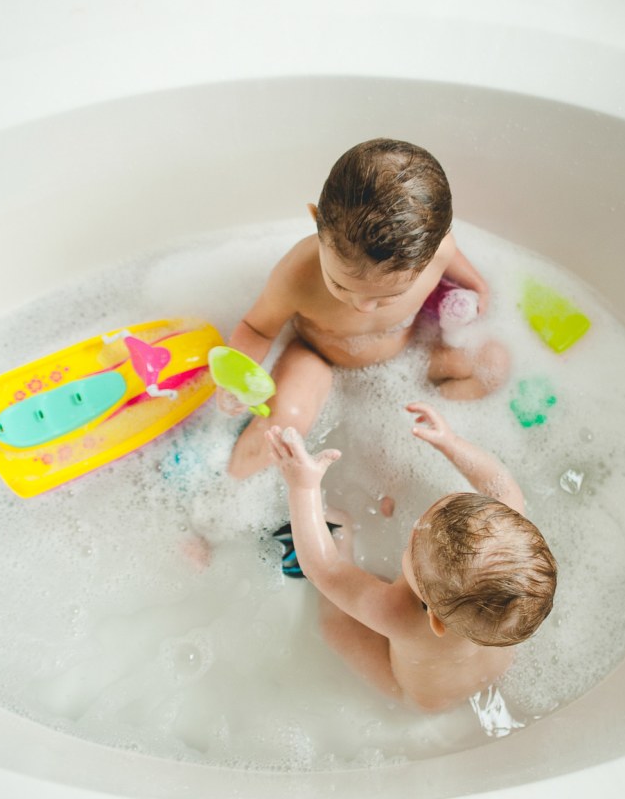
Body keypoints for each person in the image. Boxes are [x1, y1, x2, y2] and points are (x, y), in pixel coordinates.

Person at [221, 138, 511, 478]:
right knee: (287, 423)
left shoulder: (439, 251)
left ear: (430, 253)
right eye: (341, 285)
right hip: (318, 355)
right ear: (317, 223)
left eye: (388, 296)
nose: (363, 306)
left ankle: (418, 426)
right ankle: (228, 491)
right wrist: (236, 381)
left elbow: (452, 256)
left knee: (493, 364)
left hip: (407, 354)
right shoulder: (298, 274)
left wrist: (477, 284)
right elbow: (257, 328)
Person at [263, 402, 557, 712]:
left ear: (434, 620)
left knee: (337, 628)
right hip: (491, 671)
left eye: (412, 545)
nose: (414, 530)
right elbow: (501, 486)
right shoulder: (510, 562)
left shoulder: (399, 614)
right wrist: (452, 443)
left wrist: (303, 488)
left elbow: (325, 570)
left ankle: (341, 536)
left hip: (421, 697)